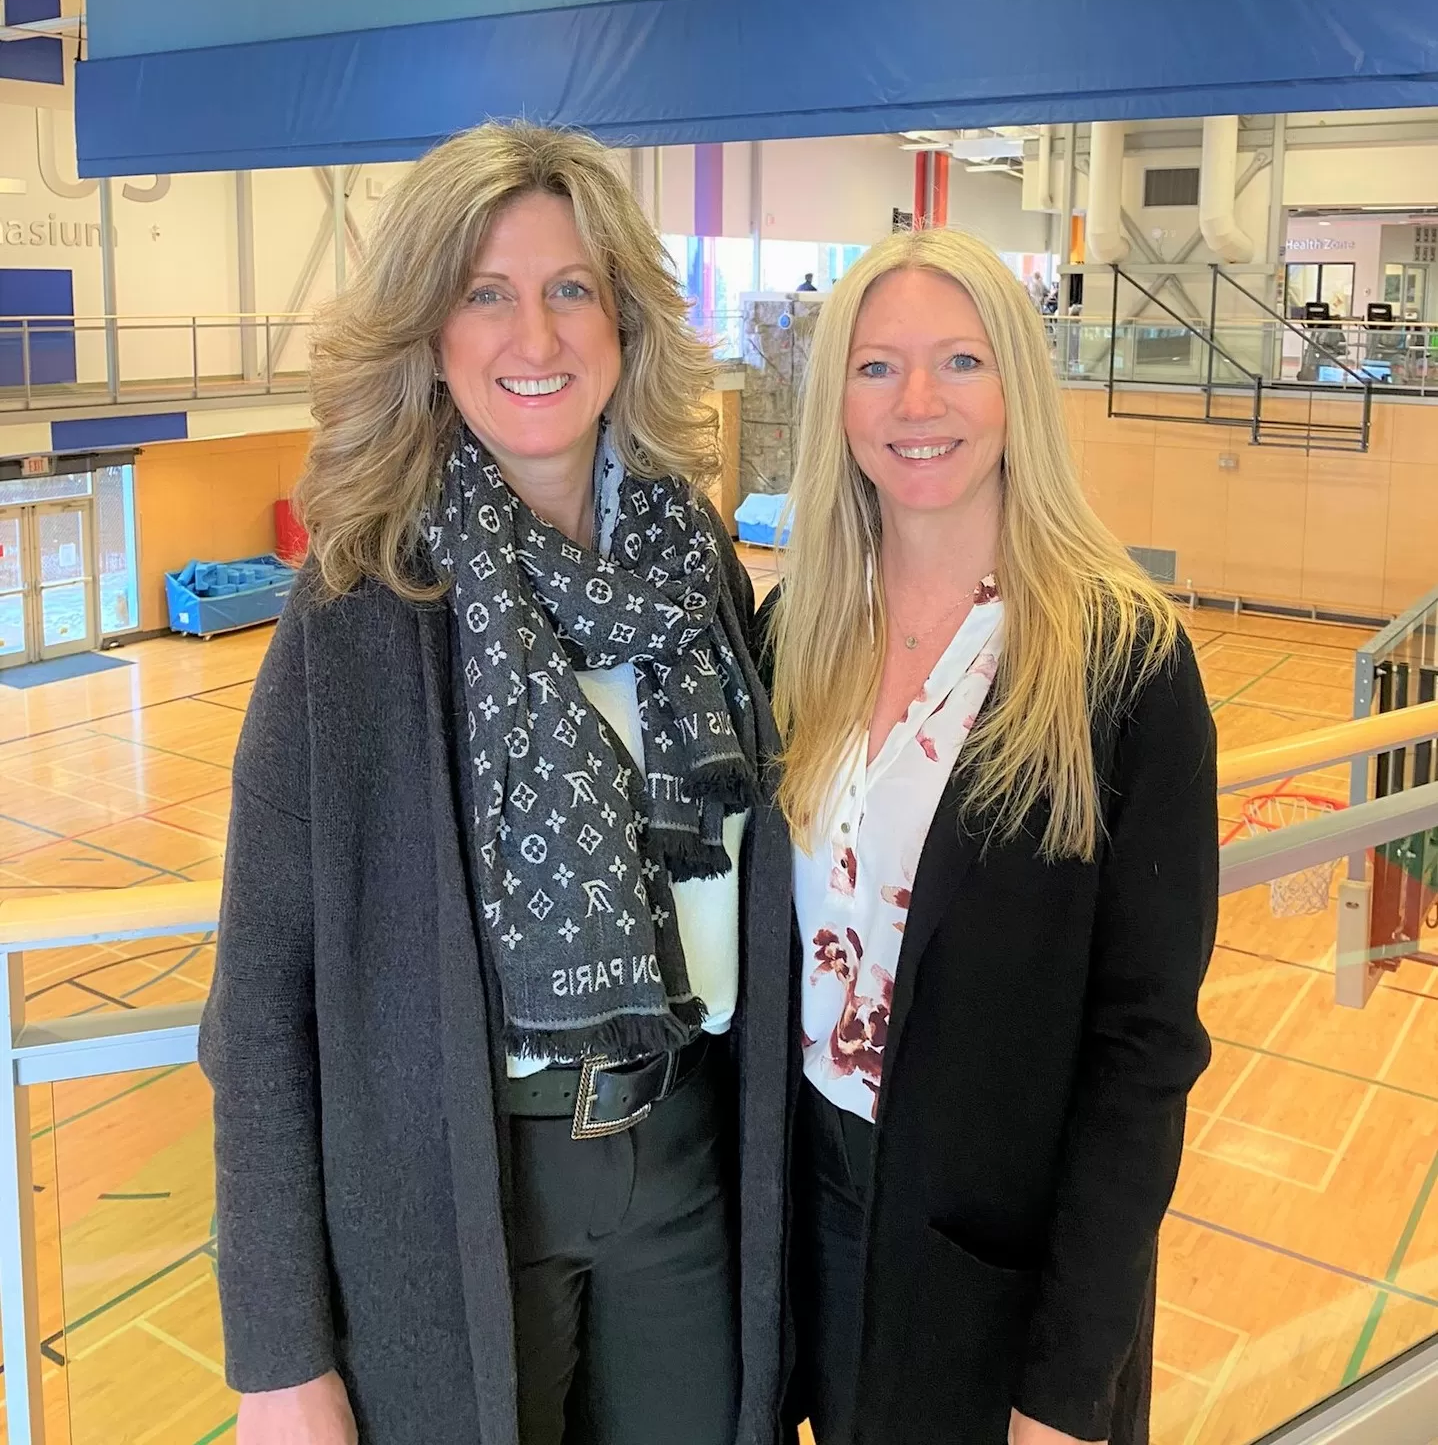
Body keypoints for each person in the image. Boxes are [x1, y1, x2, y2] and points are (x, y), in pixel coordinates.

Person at [199, 121, 793, 1445]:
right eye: (486, 292)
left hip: (684, 1167)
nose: (535, 335)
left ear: (624, 320)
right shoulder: (360, 601)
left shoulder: (694, 563)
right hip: (461, 1195)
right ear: (428, 333)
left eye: (569, 288)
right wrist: (278, 1357)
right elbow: (261, 1005)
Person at [761, 227, 1217, 1444]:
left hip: (997, 1289)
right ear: (835, 401)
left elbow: (1144, 1053)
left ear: (1017, 385)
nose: (918, 402)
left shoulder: (1121, 665)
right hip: (809, 1226)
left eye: (959, 361)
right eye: (876, 367)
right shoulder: (793, 630)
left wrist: (1067, 1388)